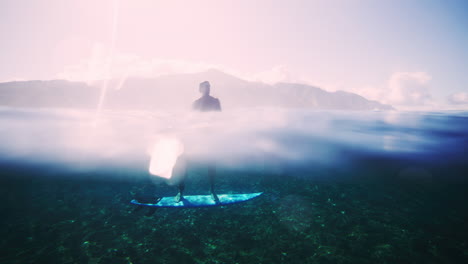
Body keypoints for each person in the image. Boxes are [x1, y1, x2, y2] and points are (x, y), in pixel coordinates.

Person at [175, 81, 221, 203]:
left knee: (211, 164)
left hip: (210, 137)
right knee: (183, 163)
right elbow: (190, 121)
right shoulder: (195, 103)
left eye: (209, 87)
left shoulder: (215, 101)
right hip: (196, 137)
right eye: (205, 87)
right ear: (200, 89)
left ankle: (212, 191)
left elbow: (220, 119)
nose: (208, 89)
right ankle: (180, 191)